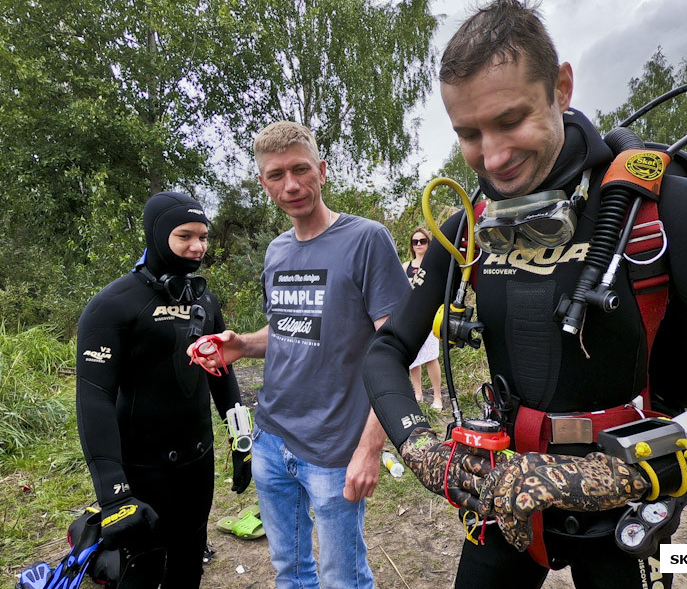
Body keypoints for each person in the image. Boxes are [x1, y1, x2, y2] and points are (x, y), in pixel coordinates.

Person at [363, 0, 687, 589]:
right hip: (505, 499)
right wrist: (422, 451)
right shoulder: (469, 226)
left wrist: (598, 481)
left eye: (511, 119)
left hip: (621, 508)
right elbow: (386, 350)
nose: (492, 156)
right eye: (469, 133)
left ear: (561, 88)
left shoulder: (660, 210)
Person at [188, 121, 409, 589]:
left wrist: (372, 447)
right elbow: (289, 329)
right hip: (270, 436)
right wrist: (243, 345)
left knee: (342, 579)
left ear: (322, 171)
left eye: (300, 169)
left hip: (334, 446)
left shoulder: (367, 240)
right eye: (275, 175)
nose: (290, 185)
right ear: (264, 182)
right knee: (289, 572)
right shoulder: (277, 251)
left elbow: (396, 350)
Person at [76, 191, 251, 588]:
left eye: (203, 237)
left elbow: (220, 371)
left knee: (189, 562)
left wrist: (242, 438)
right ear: (157, 236)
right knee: (141, 571)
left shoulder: (203, 298)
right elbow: (93, 398)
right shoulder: (112, 305)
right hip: (142, 469)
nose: (197, 247)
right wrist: (114, 494)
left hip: (197, 462)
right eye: (184, 236)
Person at [403, 227, 444, 409]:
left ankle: (437, 396)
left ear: (429, 243)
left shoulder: (434, 263)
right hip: (411, 315)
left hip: (431, 315)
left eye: (423, 241)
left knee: (431, 357)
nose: (419, 244)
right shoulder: (406, 266)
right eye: (415, 241)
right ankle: (417, 393)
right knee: (413, 357)